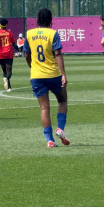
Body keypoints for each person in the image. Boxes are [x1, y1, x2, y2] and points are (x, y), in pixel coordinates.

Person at [24, 8, 70, 148]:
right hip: (53, 74)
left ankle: (50, 140)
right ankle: (60, 129)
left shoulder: (29, 33)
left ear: (37, 19)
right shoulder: (52, 34)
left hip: (37, 75)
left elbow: (27, 54)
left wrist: (32, 68)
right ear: (50, 20)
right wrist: (63, 74)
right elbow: (58, 54)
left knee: (44, 108)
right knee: (62, 101)